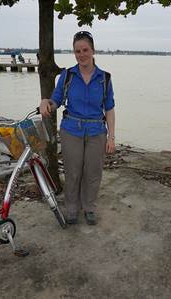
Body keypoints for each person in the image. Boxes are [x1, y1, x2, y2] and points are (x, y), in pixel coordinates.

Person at [39, 31, 115, 225]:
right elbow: (56, 100)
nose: (81, 54)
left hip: (97, 131)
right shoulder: (67, 75)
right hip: (71, 130)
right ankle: (72, 208)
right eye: (77, 51)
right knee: (73, 172)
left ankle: (89, 207)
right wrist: (46, 102)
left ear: (93, 50)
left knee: (93, 172)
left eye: (85, 50)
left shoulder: (104, 78)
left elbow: (110, 108)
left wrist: (111, 137)